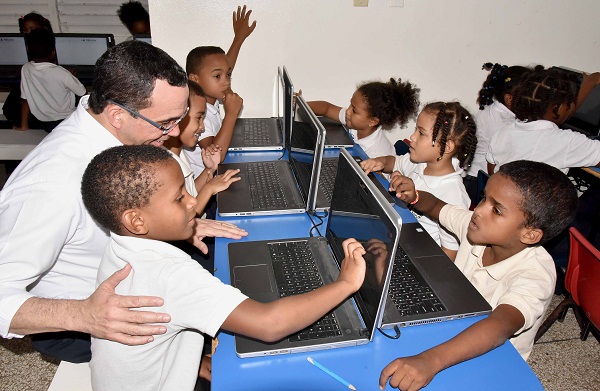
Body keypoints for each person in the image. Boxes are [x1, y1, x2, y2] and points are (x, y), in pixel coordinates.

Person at [0, 40, 247, 364]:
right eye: (165, 123)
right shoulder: (52, 185)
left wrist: (185, 220)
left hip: (130, 271)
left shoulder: (111, 133)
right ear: (117, 114)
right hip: (87, 318)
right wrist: (85, 316)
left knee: (234, 268)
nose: (174, 133)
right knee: (234, 345)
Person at [81, 144, 367, 391]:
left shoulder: (118, 247)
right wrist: (346, 283)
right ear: (137, 221)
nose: (193, 200)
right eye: (180, 197)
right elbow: (270, 325)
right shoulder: (169, 274)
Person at [379, 160, 578, 391]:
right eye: (484, 198)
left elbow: (498, 326)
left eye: (496, 210)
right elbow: (436, 206)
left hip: (492, 356)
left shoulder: (536, 275)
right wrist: (414, 197)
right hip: (454, 323)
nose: (478, 211)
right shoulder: (478, 228)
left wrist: (430, 360)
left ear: (530, 234)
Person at [361, 102, 476, 260]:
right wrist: (380, 162)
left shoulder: (453, 194)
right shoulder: (419, 162)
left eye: (421, 133)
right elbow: (394, 162)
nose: (412, 137)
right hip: (394, 239)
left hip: (414, 257)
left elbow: (449, 254)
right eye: (416, 129)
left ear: (447, 147)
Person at [184, 5, 257, 177]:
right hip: (201, 191)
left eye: (228, 75)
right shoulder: (197, 114)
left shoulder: (210, 98)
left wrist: (238, 39)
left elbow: (224, 65)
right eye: (218, 77)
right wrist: (231, 114)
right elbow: (218, 156)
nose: (226, 81)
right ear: (194, 79)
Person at [486, 67, 600, 175]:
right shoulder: (568, 141)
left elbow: (492, 171)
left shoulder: (503, 132)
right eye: (569, 102)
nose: (570, 107)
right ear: (557, 108)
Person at [163, 80, 240, 216]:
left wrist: (209, 169)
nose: (202, 127)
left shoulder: (179, 153)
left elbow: (191, 192)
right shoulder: (165, 166)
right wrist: (209, 188)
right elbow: (184, 217)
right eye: (198, 118)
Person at [463, 62, 534, 203]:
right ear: (509, 98)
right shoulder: (504, 123)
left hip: (473, 177)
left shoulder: (493, 110)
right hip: (477, 184)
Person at [307, 78, 420, 159]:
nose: (348, 111)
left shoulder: (379, 153)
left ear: (373, 121)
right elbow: (327, 108)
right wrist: (299, 104)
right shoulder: (353, 120)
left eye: (354, 110)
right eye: (350, 104)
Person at [15, 28, 86, 133]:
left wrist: (24, 125)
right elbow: (82, 92)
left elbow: (25, 99)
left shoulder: (26, 69)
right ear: (53, 52)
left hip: (44, 123)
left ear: (28, 50)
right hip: (66, 121)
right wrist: (71, 77)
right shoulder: (62, 73)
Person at [3, 12, 54, 129]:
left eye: (33, 29)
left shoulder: (49, 44)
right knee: (10, 108)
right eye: (25, 30)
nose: (29, 32)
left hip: (47, 83)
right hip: (27, 80)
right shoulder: (21, 45)